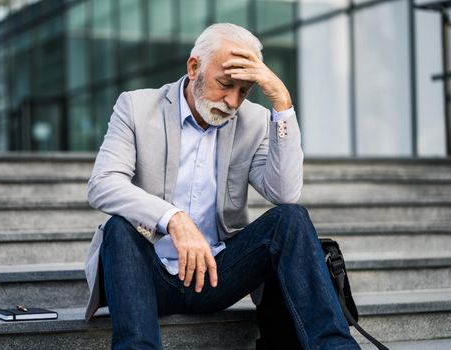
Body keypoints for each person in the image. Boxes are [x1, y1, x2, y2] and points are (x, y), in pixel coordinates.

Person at [84, 23, 360, 350]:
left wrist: (282, 104)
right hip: (146, 274)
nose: (232, 101)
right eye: (225, 84)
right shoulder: (137, 107)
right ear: (193, 67)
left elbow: (284, 193)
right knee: (119, 228)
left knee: (291, 218)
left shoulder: (254, 121)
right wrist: (174, 218)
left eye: (244, 91)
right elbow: (103, 183)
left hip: (217, 275)